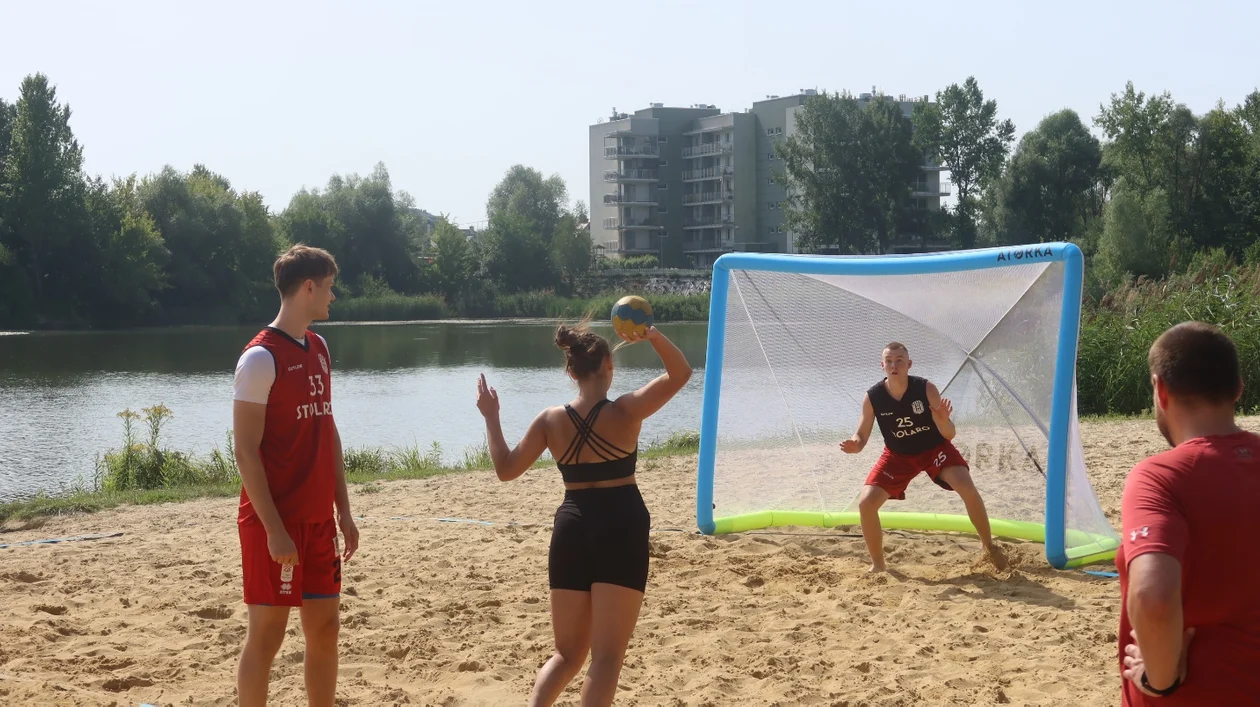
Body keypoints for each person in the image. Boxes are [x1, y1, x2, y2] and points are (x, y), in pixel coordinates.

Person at [475, 319, 690, 707]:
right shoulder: (627, 409)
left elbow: (506, 469)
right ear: (609, 365)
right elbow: (681, 373)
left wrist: (491, 416)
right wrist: (652, 334)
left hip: (572, 526)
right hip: (620, 523)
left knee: (567, 655)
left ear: (570, 371)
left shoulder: (550, 420)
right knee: (606, 658)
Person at [232, 244, 359, 707]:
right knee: (266, 637)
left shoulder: (320, 348)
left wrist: (343, 509)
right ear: (308, 287)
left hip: (318, 519)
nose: (333, 296)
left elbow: (328, 429)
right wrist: (274, 531)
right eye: (328, 287)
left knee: (325, 629)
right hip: (276, 522)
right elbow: (245, 453)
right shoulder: (259, 359)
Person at [1116, 321, 1260, 705]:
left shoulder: (1160, 477)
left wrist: (1160, 679)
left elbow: (1153, 598)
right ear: (1238, 389)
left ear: (1160, 390)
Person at [840, 342, 1007, 573]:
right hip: (898, 455)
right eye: (889, 360)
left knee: (966, 486)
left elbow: (949, 433)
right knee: (866, 503)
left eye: (899, 360)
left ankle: (988, 547)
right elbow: (861, 435)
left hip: (934, 449)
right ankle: (878, 565)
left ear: (909, 364)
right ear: (882, 366)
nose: (894, 365)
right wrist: (854, 444)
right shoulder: (873, 397)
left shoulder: (926, 389)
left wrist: (941, 420)